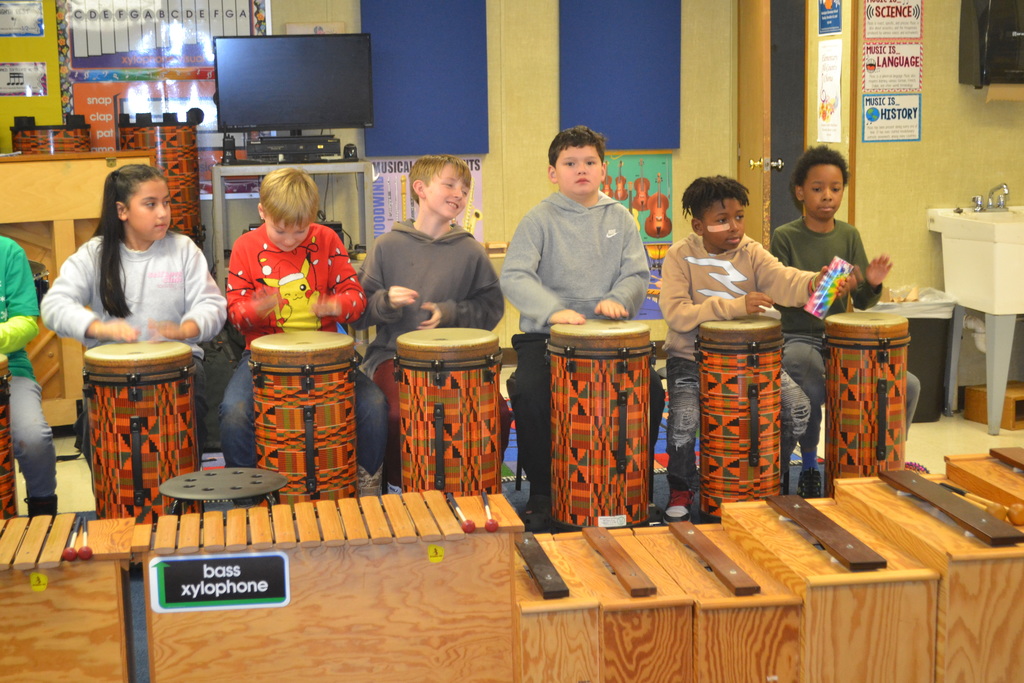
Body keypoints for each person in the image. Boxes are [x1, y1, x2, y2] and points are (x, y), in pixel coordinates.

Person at [500, 125, 664, 531]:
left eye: (590, 162)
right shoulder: (538, 218)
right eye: (570, 163)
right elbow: (516, 276)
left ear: (604, 170)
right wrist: (554, 311)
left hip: (609, 339)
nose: (581, 170)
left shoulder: (621, 216)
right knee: (535, 394)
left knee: (652, 391)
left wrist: (620, 300)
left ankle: (630, 483)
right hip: (547, 337)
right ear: (553, 172)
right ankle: (542, 490)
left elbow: (637, 273)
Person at [659, 175, 821, 521]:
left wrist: (814, 283)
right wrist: (734, 305)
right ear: (699, 225)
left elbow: (784, 279)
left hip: (753, 362)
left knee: (798, 409)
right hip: (691, 360)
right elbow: (677, 314)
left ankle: (767, 477)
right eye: (722, 220)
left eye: (739, 216)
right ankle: (683, 486)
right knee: (684, 421)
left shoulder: (751, 252)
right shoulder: (680, 256)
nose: (734, 227)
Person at [219, 167, 386, 496]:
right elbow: (235, 316)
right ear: (262, 212)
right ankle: (246, 493)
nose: (292, 239)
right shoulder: (245, 246)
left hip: (328, 355)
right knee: (234, 412)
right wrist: (256, 309)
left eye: (301, 230)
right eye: (281, 231)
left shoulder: (326, 240)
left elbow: (356, 300)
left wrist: (335, 306)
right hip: (264, 356)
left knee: (374, 405)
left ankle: (366, 483)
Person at [41, 164, 226, 456]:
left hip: (181, 366)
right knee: (99, 442)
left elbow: (212, 305)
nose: (163, 213)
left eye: (166, 202)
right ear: (122, 210)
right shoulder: (94, 254)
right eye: (150, 204)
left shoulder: (183, 249)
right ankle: (115, 500)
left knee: (183, 439)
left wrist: (186, 328)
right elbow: (54, 305)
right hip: (113, 374)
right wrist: (98, 328)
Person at [352, 154, 509, 494]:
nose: (459, 194)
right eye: (450, 184)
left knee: (497, 412)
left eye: (465, 189)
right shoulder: (386, 246)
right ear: (420, 189)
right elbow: (358, 312)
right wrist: (385, 302)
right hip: (395, 358)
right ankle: (397, 488)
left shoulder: (470, 251)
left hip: (459, 360)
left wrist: (450, 313)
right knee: (397, 415)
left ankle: (481, 490)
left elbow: (492, 308)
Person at [770, 145, 920, 498]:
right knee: (807, 379)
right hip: (798, 336)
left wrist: (873, 281)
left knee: (907, 384)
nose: (828, 196)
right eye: (818, 188)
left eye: (835, 189)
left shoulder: (849, 235)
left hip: (843, 339)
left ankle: (889, 461)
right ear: (800, 192)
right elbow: (784, 299)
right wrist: (827, 287)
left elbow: (864, 301)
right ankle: (809, 466)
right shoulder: (785, 237)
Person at [0, 239, 58, 517]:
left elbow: (25, 322)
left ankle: (43, 511)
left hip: (10, 371)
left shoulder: (8, 252)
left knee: (33, 438)